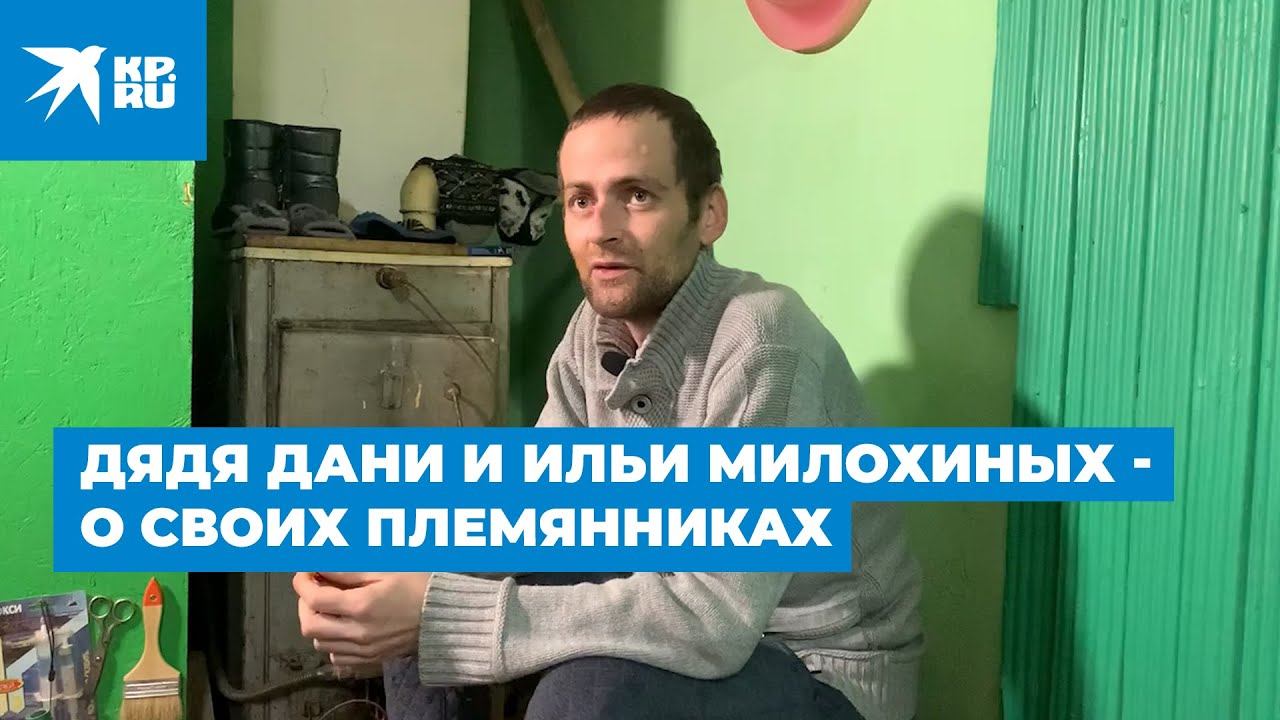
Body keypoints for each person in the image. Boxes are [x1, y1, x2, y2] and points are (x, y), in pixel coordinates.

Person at [294, 83, 923, 720]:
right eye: (581, 200)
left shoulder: (764, 340)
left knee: (586, 694)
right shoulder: (593, 332)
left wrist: (446, 617)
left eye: (637, 195)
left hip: (811, 665)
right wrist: (374, 588)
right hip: (668, 595)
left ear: (709, 214)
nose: (602, 230)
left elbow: (715, 614)